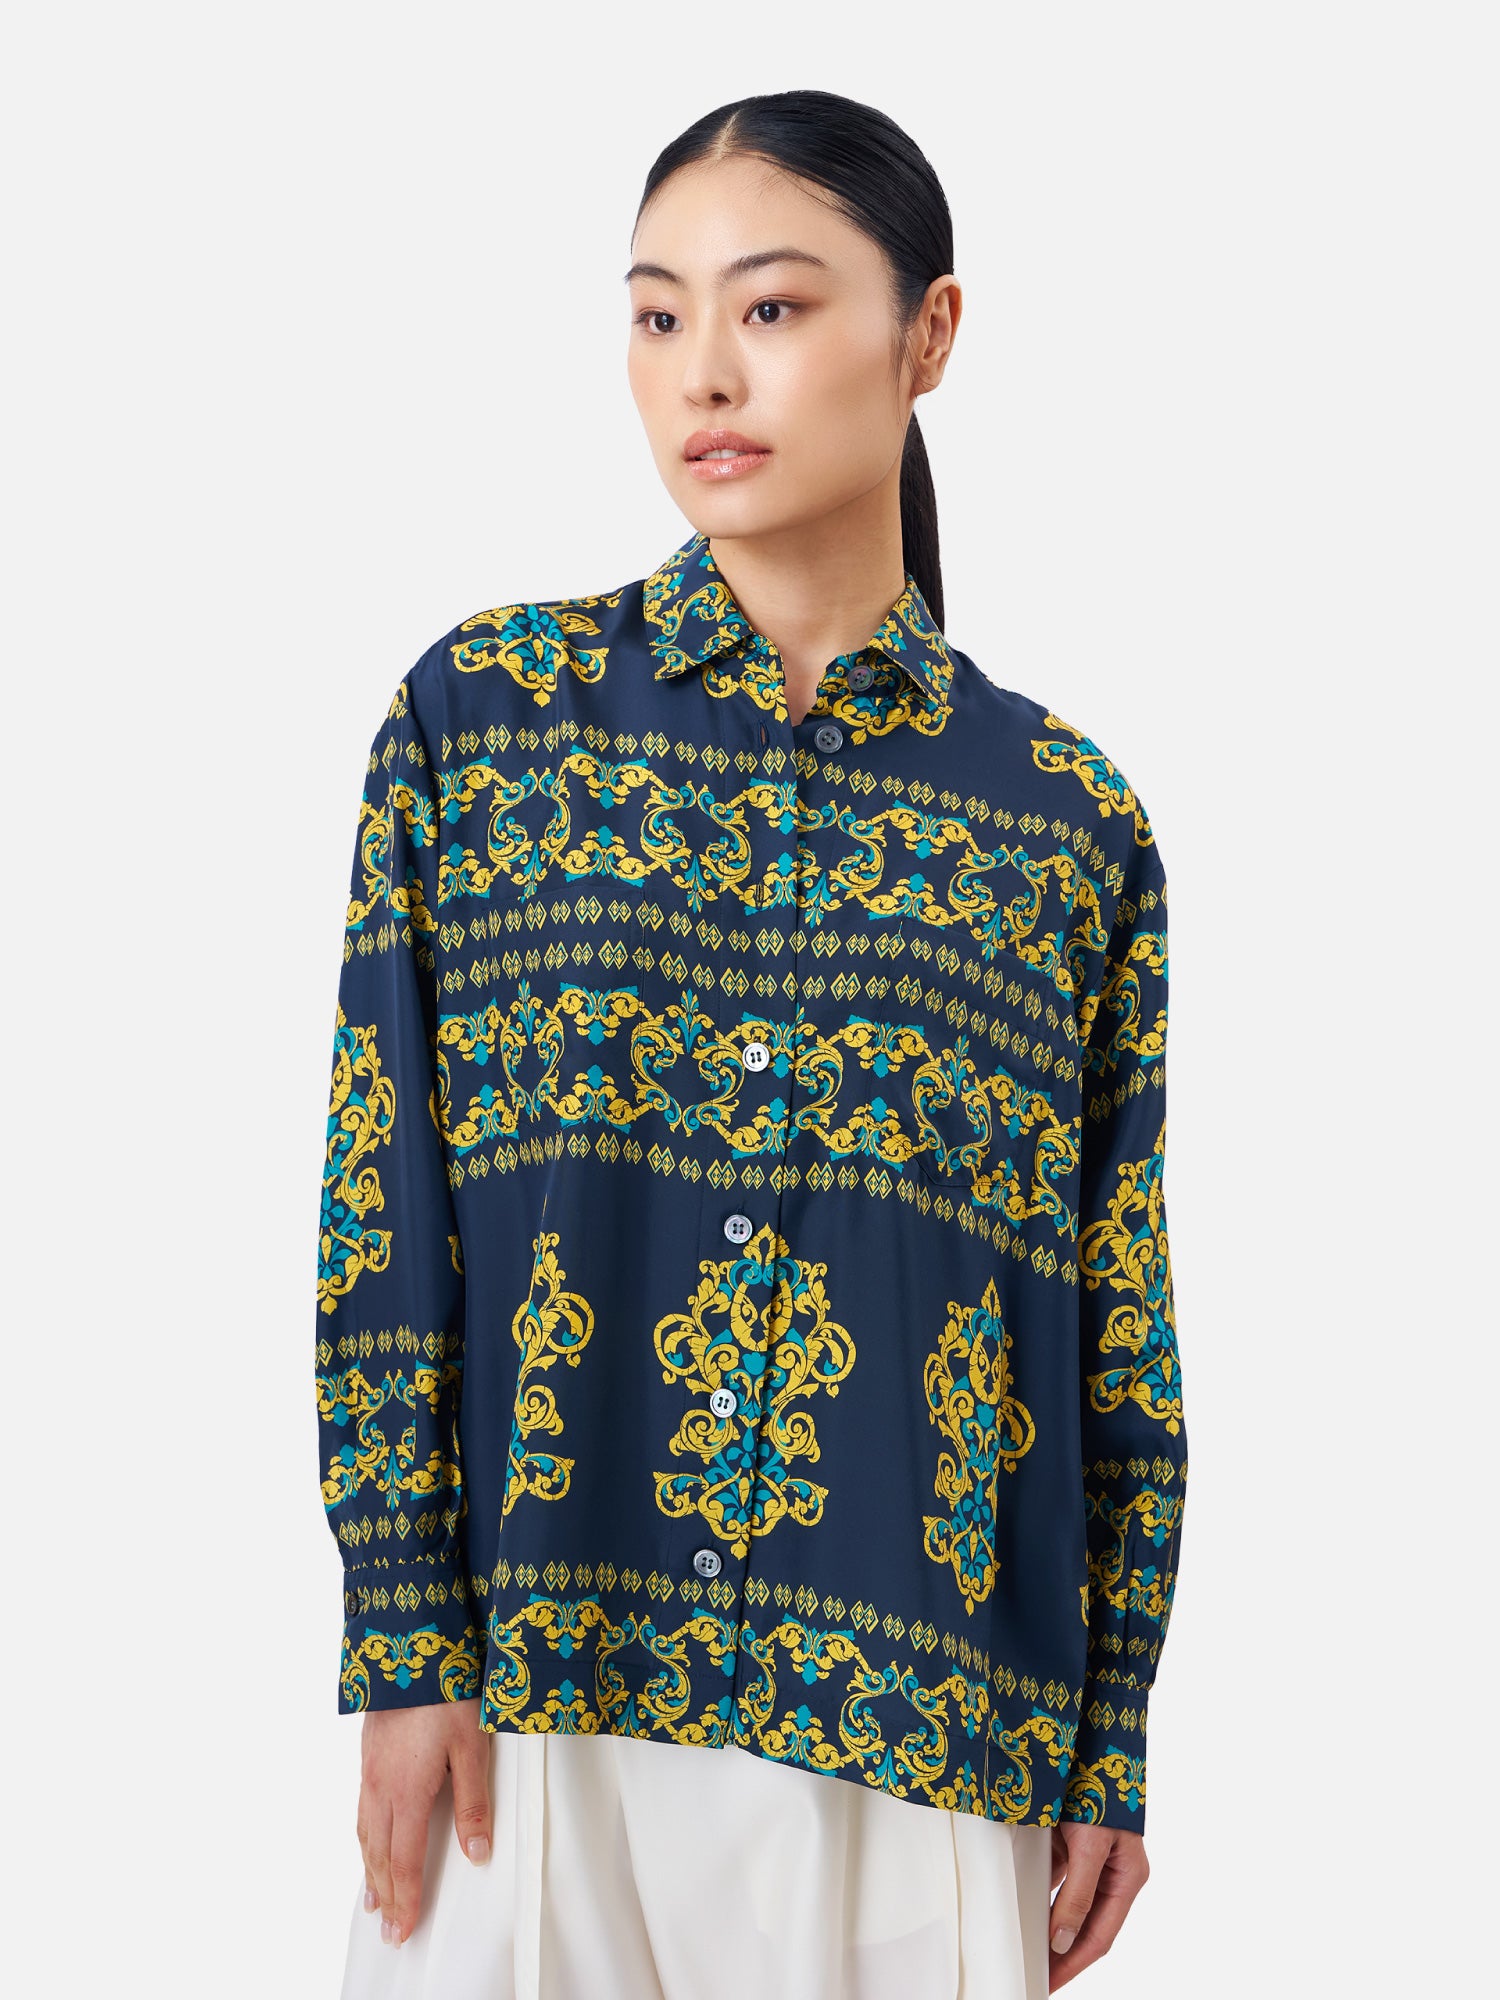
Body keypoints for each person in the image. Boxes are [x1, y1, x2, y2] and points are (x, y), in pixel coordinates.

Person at [317, 87, 1187, 2000]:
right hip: (535, 1705)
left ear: (928, 334)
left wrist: (1108, 1735)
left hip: (928, 1738)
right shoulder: (486, 728)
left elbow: (1113, 1322)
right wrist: (403, 1639)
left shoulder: (1064, 825)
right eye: (657, 314)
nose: (704, 369)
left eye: (772, 308)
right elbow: (383, 1211)